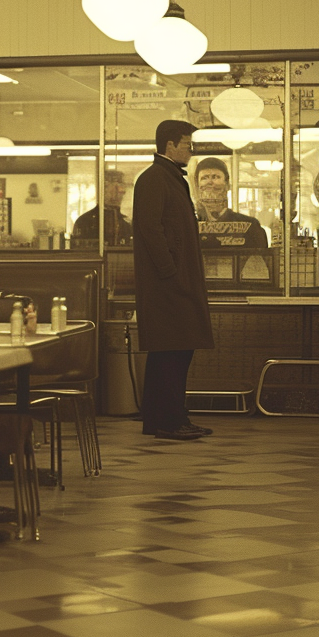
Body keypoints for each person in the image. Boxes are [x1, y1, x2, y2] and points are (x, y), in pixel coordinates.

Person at [132, 120, 214, 440]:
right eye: (187, 144)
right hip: (167, 285)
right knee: (172, 352)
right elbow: (151, 230)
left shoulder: (166, 178)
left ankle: (163, 419)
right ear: (169, 145)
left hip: (172, 282)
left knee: (172, 351)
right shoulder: (154, 179)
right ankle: (170, 421)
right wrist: (170, 271)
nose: (191, 151)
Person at [194, 157, 268, 249]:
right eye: (204, 178)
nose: (210, 182)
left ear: (227, 185)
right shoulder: (189, 226)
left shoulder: (250, 226)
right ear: (198, 187)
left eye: (215, 177)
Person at [71, 169, 133, 247]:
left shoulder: (126, 224)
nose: (122, 191)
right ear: (104, 188)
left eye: (123, 185)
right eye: (116, 187)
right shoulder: (85, 221)